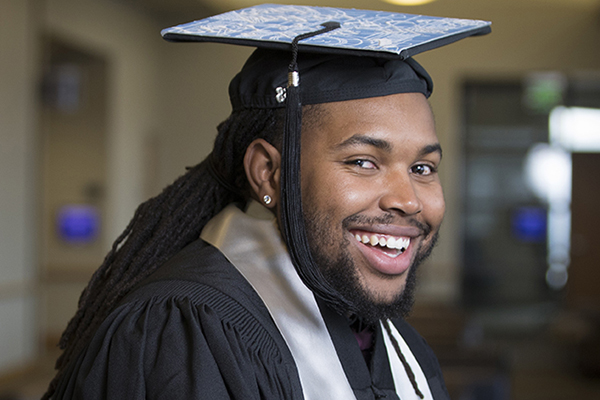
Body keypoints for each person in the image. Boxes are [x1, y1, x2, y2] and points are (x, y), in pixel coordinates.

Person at [43, 4, 490, 400]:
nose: (408, 201)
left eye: (423, 169)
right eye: (363, 162)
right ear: (268, 173)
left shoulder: (392, 340)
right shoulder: (188, 334)